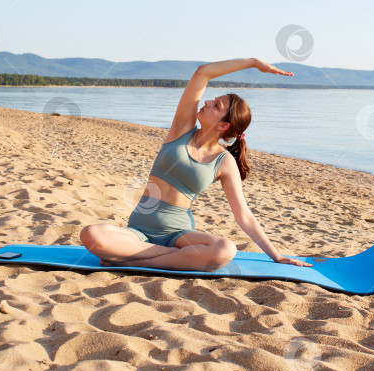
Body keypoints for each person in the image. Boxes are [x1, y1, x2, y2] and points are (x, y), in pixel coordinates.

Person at [80, 58, 313, 271]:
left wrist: (276, 256)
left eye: (216, 106)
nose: (208, 101)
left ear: (224, 125)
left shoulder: (224, 162)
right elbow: (203, 73)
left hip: (179, 234)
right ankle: (170, 257)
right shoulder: (181, 129)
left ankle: (135, 259)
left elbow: (243, 215)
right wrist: (252, 63)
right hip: (138, 231)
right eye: (213, 100)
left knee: (225, 249)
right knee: (91, 235)